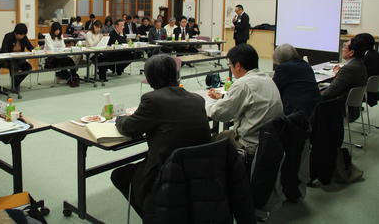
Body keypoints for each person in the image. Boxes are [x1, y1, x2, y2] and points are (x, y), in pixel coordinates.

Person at [111, 55, 210, 217]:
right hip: (198, 170)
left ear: (150, 80)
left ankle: (154, 216)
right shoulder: (197, 99)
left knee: (119, 175)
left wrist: (120, 118)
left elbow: (129, 128)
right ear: (176, 74)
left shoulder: (152, 100)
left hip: (167, 171)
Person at [206, 44, 283, 155]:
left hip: (249, 147)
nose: (230, 68)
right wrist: (224, 97)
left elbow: (219, 113)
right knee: (226, 133)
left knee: (208, 143)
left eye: (230, 65)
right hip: (269, 143)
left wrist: (203, 105)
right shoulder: (268, 79)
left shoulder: (243, 84)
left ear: (237, 66)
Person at [272, 44, 320, 118]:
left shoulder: (283, 68)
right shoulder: (306, 65)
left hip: (296, 113)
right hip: (314, 109)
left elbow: (274, 90)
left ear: (279, 58)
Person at [0, 23, 34, 91]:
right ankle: (15, 85)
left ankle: (15, 84)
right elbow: (4, 50)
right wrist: (11, 56)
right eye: (21, 35)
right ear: (15, 33)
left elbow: (30, 47)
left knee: (28, 67)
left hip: (19, 59)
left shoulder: (24, 37)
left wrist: (35, 50)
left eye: (24, 35)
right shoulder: (8, 36)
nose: (22, 36)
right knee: (14, 66)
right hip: (8, 60)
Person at [355, 33, 379, 105]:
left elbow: (357, 73)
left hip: (361, 89)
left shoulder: (366, 58)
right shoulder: (376, 54)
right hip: (371, 88)